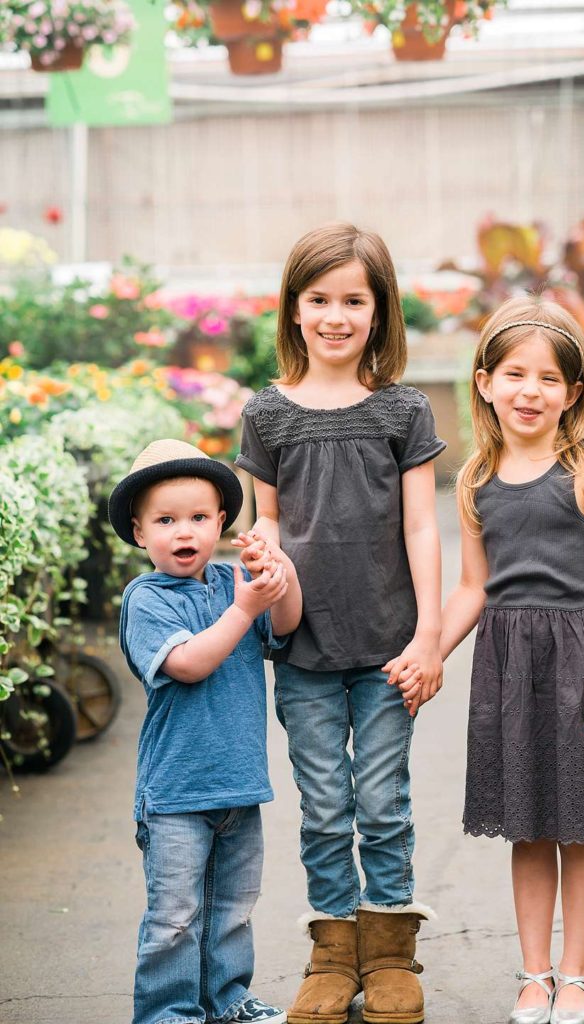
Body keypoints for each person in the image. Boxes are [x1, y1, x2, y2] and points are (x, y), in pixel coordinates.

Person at [234, 223, 446, 1024]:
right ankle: (332, 955)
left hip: (391, 648)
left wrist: (427, 637)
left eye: (352, 299)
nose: (334, 315)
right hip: (303, 650)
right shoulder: (269, 414)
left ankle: (390, 953)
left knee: (382, 801)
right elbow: (270, 525)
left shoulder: (401, 409)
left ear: (378, 309)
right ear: (292, 310)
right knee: (324, 804)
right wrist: (259, 558)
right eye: (318, 299)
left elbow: (423, 529)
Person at [439, 297, 584, 1024]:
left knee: (580, 829)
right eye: (515, 374)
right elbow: (473, 587)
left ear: (573, 393)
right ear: (484, 382)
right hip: (507, 673)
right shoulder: (474, 479)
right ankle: (532, 977)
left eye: (549, 378)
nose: (531, 391)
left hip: (581, 666)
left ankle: (577, 977)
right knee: (526, 828)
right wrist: (428, 652)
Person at [108, 438, 303, 1024]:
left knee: (233, 909)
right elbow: (189, 663)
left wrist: (280, 576)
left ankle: (227, 998)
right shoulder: (144, 599)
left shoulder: (229, 582)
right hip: (174, 791)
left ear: (221, 522)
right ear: (140, 533)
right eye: (166, 521)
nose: (184, 531)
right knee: (174, 915)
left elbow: (285, 629)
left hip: (238, 784)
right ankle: (168, 1010)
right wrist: (245, 609)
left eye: (198, 518)